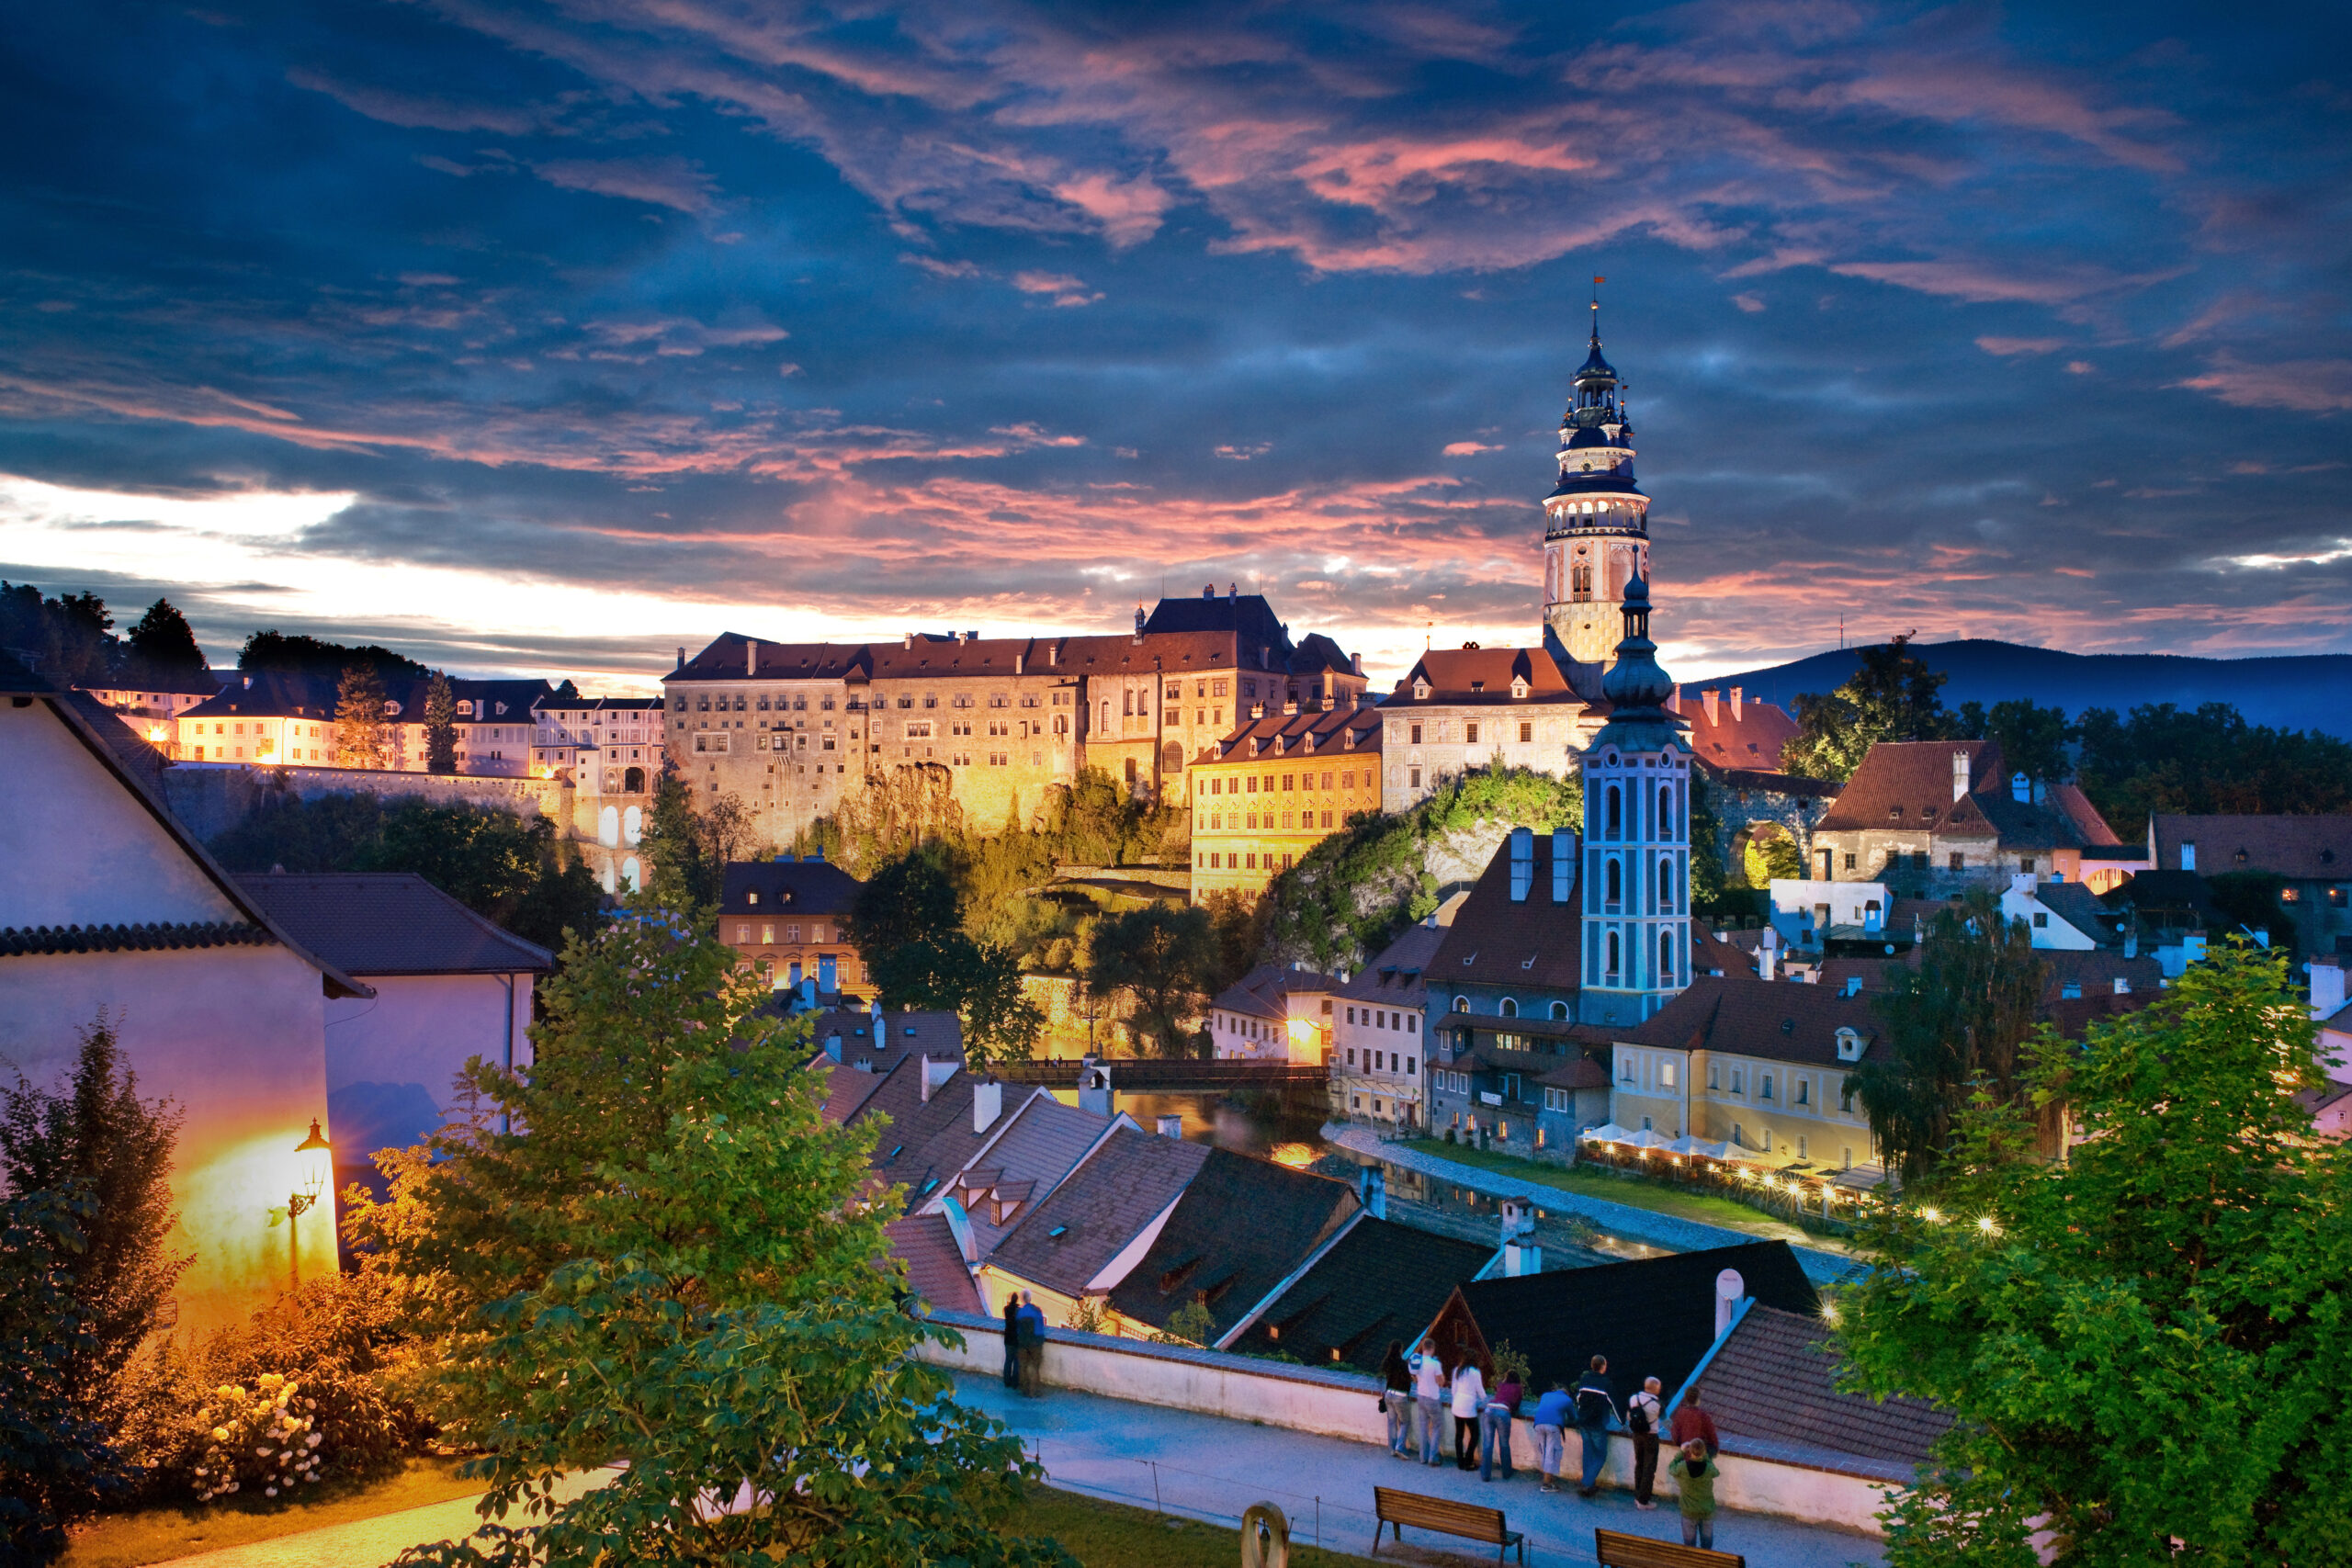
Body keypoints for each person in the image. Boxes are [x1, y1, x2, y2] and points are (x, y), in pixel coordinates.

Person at [1572, 1355, 1620, 1498]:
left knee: (1588, 1452)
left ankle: (1589, 1485)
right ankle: (1586, 1482)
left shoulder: (1585, 1380)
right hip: (1597, 1423)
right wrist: (1622, 1422)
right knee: (1600, 1454)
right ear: (1603, 1366)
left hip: (1583, 1421)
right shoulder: (1606, 1383)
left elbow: (1578, 1399)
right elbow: (1615, 1404)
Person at [1672, 1439, 1720, 1550]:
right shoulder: (1709, 1468)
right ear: (1703, 1452)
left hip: (1689, 1512)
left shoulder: (1682, 1467)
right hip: (1706, 1510)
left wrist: (1681, 1453)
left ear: (1690, 1451)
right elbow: (1716, 1472)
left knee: (1689, 1546)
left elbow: (1671, 1468)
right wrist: (1706, 1457)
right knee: (1707, 1545)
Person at [1626, 1375, 1665, 1510]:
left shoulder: (1633, 1399)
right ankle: (1643, 1500)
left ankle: (1638, 1495)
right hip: (1651, 1437)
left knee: (1640, 1464)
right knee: (1649, 1468)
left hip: (1637, 1435)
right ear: (1655, 1389)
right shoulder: (1657, 1405)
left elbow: (1629, 1416)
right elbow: (1664, 1419)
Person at [1480, 1365, 1521, 1483]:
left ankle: (1485, 1475)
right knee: (1504, 1443)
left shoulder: (1500, 1385)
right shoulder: (1518, 1388)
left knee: (1487, 1444)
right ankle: (1506, 1472)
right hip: (1503, 1412)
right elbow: (1517, 1403)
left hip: (1489, 1409)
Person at [1529, 1382, 1572, 1494]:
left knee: (1544, 1452)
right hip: (1553, 1427)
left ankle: (1547, 1478)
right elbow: (1574, 1418)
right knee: (1551, 1453)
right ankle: (1547, 1484)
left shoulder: (1545, 1395)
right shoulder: (1567, 1400)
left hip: (1538, 1424)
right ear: (1567, 1393)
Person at [1411, 1337, 1447, 1466]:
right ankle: (1433, 1456)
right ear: (1432, 1348)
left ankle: (1423, 1457)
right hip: (1432, 1397)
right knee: (1437, 1426)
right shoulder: (1435, 1364)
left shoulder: (1417, 1361)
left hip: (1420, 1396)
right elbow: (1441, 1382)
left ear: (1422, 1348)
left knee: (1423, 1427)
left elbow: (1415, 1377)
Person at [1450, 1357, 1487, 1472]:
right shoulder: (1475, 1373)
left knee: (1459, 1435)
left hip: (1457, 1405)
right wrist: (1487, 1401)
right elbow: (1480, 1391)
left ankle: (1460, 1462)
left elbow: (1453, 1389)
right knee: (1475, 1434)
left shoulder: (1457, 1370)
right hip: (1469, 1407)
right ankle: (1469, 1460)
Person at [1379, 1340, 1412, 1459]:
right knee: (1404, 1422)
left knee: (1392, 1422)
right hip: (1400, 1395)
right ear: (1399, 1350)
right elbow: (1408, 1381)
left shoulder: (1388, 1362)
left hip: (1389, 1394)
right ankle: (1400, 1447)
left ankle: (1392, 1449)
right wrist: (1407, 1394)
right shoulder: (1403, 1364)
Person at [1670, 1384, 1721, 1461]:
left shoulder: (1680, 1413)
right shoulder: (1703, 1416)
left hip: (1685, 1456)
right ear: (1698, 1399)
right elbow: (1713, 1437)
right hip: (1700, 1457)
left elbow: (1675, 1435)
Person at [1015, 1290, 1047, 1397]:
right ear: (1030, 1298)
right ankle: (1034, 1391)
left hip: (1023, 1343)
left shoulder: (1020, 1312)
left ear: (1022, 1299)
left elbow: (1017, 1329)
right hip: (1036, 1342)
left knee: (1023, 1366)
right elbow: (1041, 1327)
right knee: (1035, 1367)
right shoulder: (1037, 1311)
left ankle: (1024, 1390)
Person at [1001, 1294, 1022, 1389]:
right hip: (1016, 1339)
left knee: (1008, 1360)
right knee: (1017, 1361)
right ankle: (1015, 1383)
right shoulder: (1019, 1311)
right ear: (1017, 1300)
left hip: (1008, 1338)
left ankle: (1006, 1381)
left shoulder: (1006, 1309)